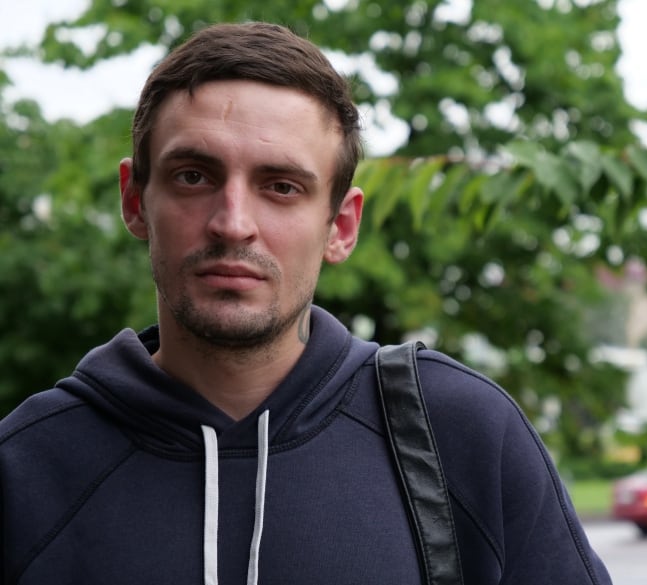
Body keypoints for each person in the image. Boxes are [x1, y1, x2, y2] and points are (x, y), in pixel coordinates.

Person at [0, 22, 612, 585]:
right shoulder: (26, 467)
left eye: (281, 187)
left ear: (341, 226)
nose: (233, 223)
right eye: (194, 176)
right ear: (135, 200)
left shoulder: (460, 434)